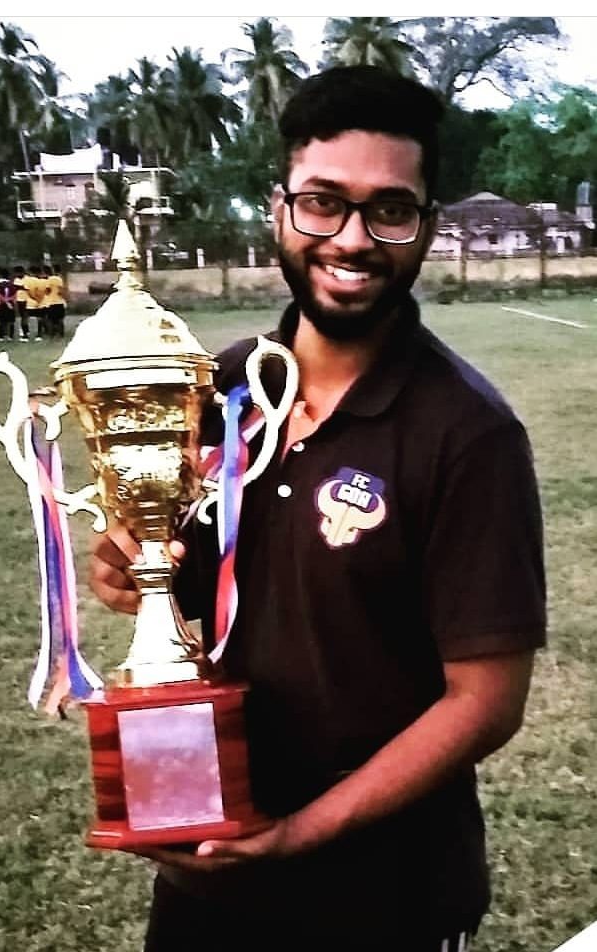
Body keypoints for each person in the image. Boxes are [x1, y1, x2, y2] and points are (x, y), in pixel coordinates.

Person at [89, 66, 546, 952]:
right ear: (279, 211)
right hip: (204, 875)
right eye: (323, 202)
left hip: (383, 895)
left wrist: (297, 835)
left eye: (389, 209)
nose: (352, 238)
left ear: (426, 226)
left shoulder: (467, 433)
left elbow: (485, 700)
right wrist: (137, 575)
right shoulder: (216, 389)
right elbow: (202, 595)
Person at [44, 265, 67, 338]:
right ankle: (61, 334)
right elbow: (61, 291)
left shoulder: (49, 280)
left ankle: (52, 334)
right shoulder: (59, 279)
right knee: (60, 319)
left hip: (51, 302)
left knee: (50, 320)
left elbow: (47, 291)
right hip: (59, 302)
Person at [0, 267, 16, 342]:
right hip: (10, 305)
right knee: (11, 321)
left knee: (1, 321)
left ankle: (1, 337)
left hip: (2, 305)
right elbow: (14, 295)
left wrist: (5, 301)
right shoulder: (12, 284)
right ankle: (10, 336)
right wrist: (9, 301)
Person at [12, 265, 29, 340]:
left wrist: (20, 287)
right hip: (19, 300)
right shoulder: (16, 280)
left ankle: (25, 332)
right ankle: (25, 331)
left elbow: (27, 288)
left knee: (26, 316)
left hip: (27, 300)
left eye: (18, 273)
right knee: (23, 316)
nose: (17, 275)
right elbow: (15, 289)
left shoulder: (27, 279)